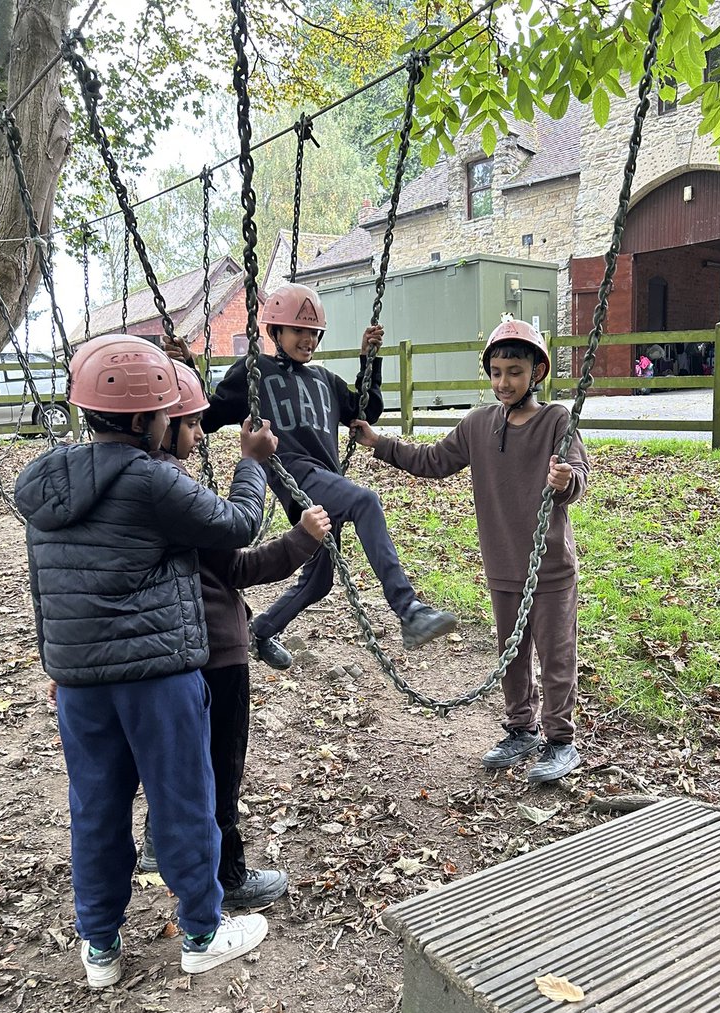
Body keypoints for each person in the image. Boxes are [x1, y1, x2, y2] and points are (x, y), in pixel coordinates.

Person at [14, 334, 277, 988]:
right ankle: (202, 933)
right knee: (182, 798)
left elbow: (52, 584)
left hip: (79, 681)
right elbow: (237, 524)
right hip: (156, 675)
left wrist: (61, 662)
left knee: (95, 807)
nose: (173, 420)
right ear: (141, 422)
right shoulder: (150, 479)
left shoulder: (47, 482)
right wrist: (253, 463)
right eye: (165, 410)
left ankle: (99, 946)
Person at [164, 282, 456, 670]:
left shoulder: (325, 380)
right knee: (365, 500)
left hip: (326, 478)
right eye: (298, 331)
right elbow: (211, 413)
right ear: (274, 332)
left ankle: (263, 630)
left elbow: (365, 411)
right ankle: (409, 610)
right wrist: (185, 367)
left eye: (314, 333)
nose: (308, 340)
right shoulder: (253, 373)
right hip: (293, 475)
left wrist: (370, 360)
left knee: (319, 581)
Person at [352, 319, 590, 784]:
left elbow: (578, 474)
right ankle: (520, 728)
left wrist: (565, 482)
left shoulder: (557, 420)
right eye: (497, 372)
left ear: (537, 372)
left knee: (556, 656)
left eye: (515, 372)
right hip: (502, 564)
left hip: (551, 567)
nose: (504, 382)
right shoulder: (478, 424)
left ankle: (560, 739)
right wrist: (380, 444)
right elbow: (433, 461)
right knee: (512, 652)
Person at [136, 362, 332, 907]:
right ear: (158, 423)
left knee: (182, 754)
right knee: (222, 767)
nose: (202, 433)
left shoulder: (135, 483)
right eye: (193, 423)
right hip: (217, 650)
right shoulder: (168, 488)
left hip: (168, 650)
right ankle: (229, 877)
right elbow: (238, 561)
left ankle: (160, 839)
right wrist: (300, 539)